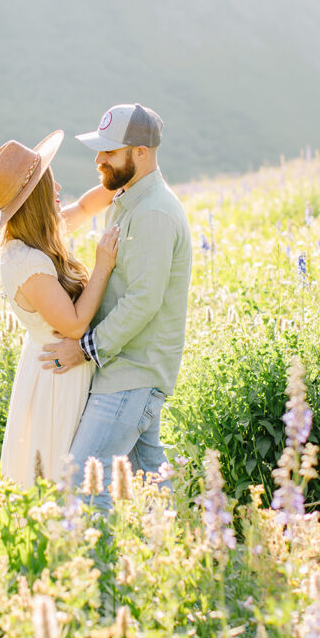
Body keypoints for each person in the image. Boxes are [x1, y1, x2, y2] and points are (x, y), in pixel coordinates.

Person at [41, 104, 192, 512]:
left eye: (109, 151)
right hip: (125, 365)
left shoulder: (154, 213)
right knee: (151, 479)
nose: (98, 159)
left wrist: (83, 347)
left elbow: (143, 301)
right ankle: (194, 554)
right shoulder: (127, 200)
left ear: (140, 152)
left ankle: (97, 573)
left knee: (84, 481)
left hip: (132, 370)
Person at [0, 130, 120, 487]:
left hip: (65, 365)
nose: (59, 191)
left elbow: (87, 206)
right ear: (35, 199)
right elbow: (73, 325)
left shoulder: (39, 234)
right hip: (57, 376)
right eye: (50, 186)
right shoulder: (25, 261)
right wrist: (102, 265)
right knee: (59, 474)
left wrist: (124, 180)